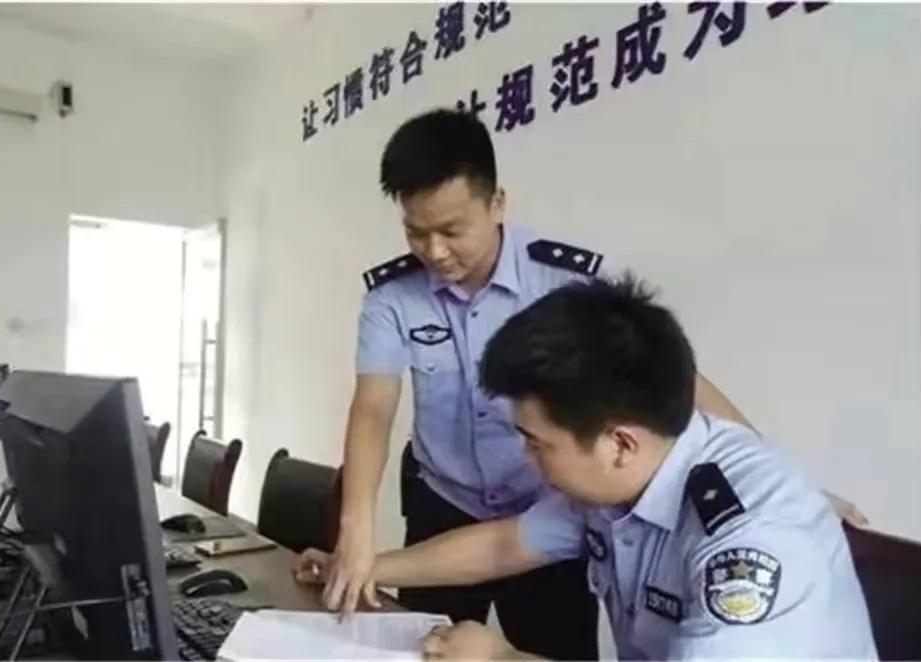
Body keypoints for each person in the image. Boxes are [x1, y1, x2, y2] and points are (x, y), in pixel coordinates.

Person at [324, 108, 769, 660]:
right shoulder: (392, 298)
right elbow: (373, 408)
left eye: (452, 231)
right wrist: (356, 533)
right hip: (443, 504)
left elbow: (674, 382)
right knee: (422, 648)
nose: (434, 251)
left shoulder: (569, 283)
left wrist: (763, 471)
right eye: (416, 232)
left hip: (552, 505)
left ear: (496, 203)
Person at [298, 277, 877, 660]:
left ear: (619, 444)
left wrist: (503, 658)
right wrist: (360, 568)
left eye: (536, 443)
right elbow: (504, 546)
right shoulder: (621, 481)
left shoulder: (750, 542)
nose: (525, 458)